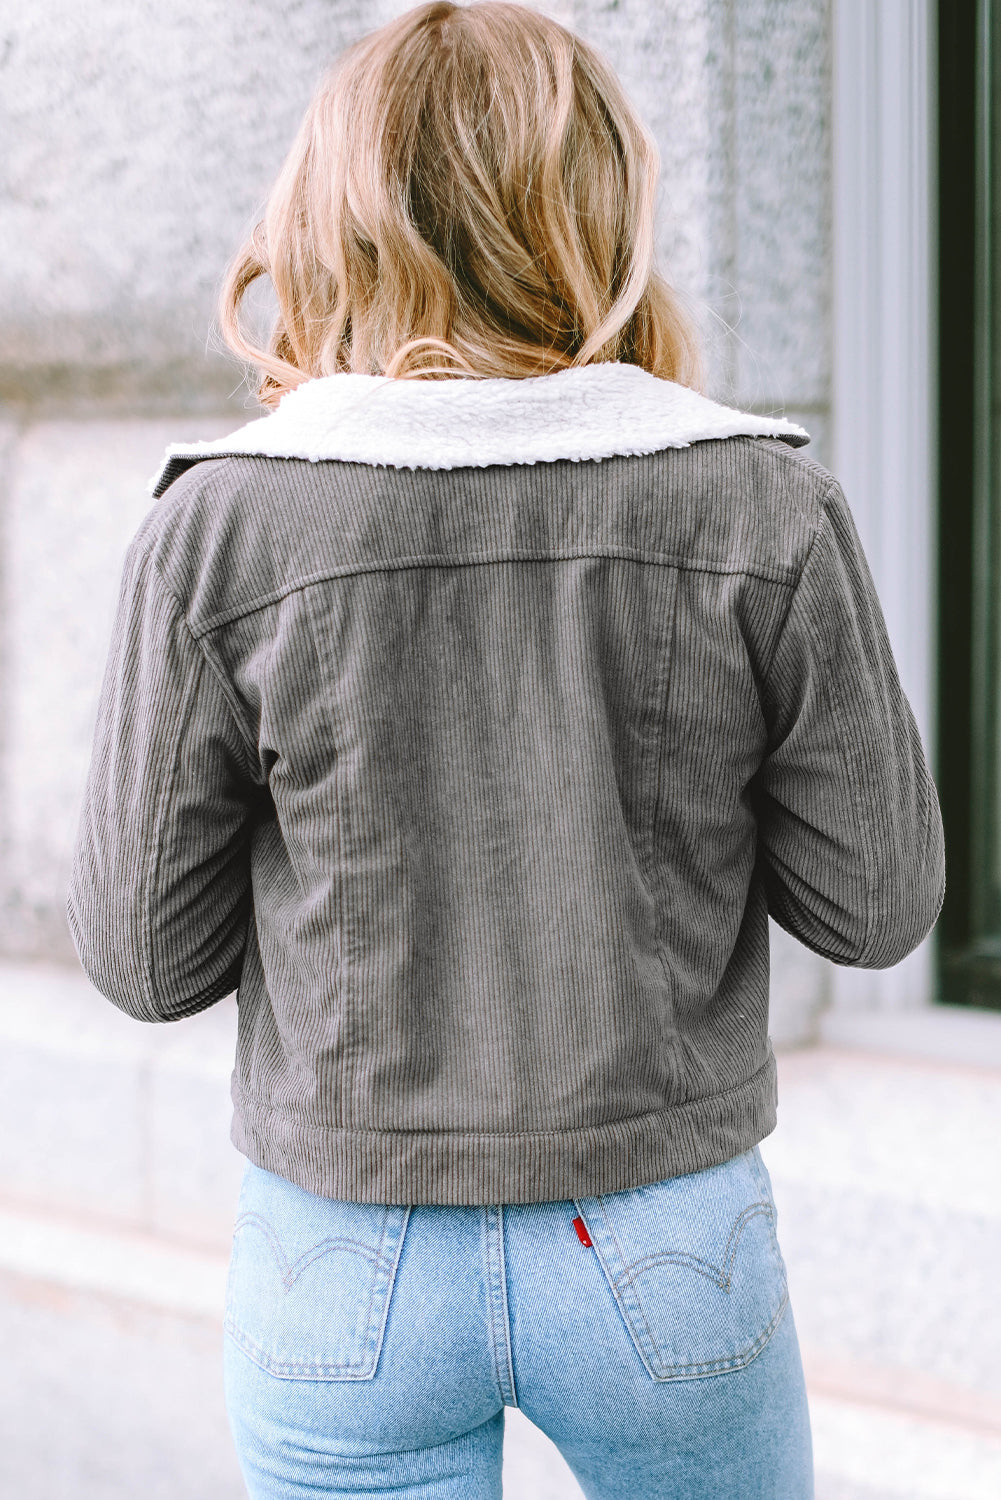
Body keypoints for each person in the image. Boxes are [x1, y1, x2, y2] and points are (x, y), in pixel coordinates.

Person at [67, 3, 945, 1496]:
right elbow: (878, 908)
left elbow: (144, 962)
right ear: (598, 209)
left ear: (327, 216)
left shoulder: (218, 526)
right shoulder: (756, 505)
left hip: (344, 1246)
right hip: (661, 1234)